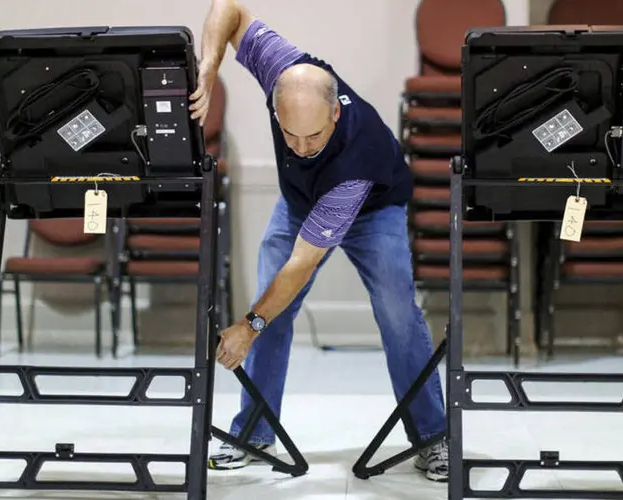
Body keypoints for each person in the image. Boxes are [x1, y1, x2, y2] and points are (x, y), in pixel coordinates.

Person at [188, 0, 449, 483]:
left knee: (396, 312)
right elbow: (227, 8)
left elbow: (301, 266)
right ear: (274, 104)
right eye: (291, 135)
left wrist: (247, 326)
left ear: (334, 113)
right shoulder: (282, 69)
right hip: (300, 201)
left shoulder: (357, 157)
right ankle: (254, 433)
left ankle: (433, 438)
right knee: (273, 307)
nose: (302, 148)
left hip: (373, 206)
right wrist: (208, 67)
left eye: (314, 137)